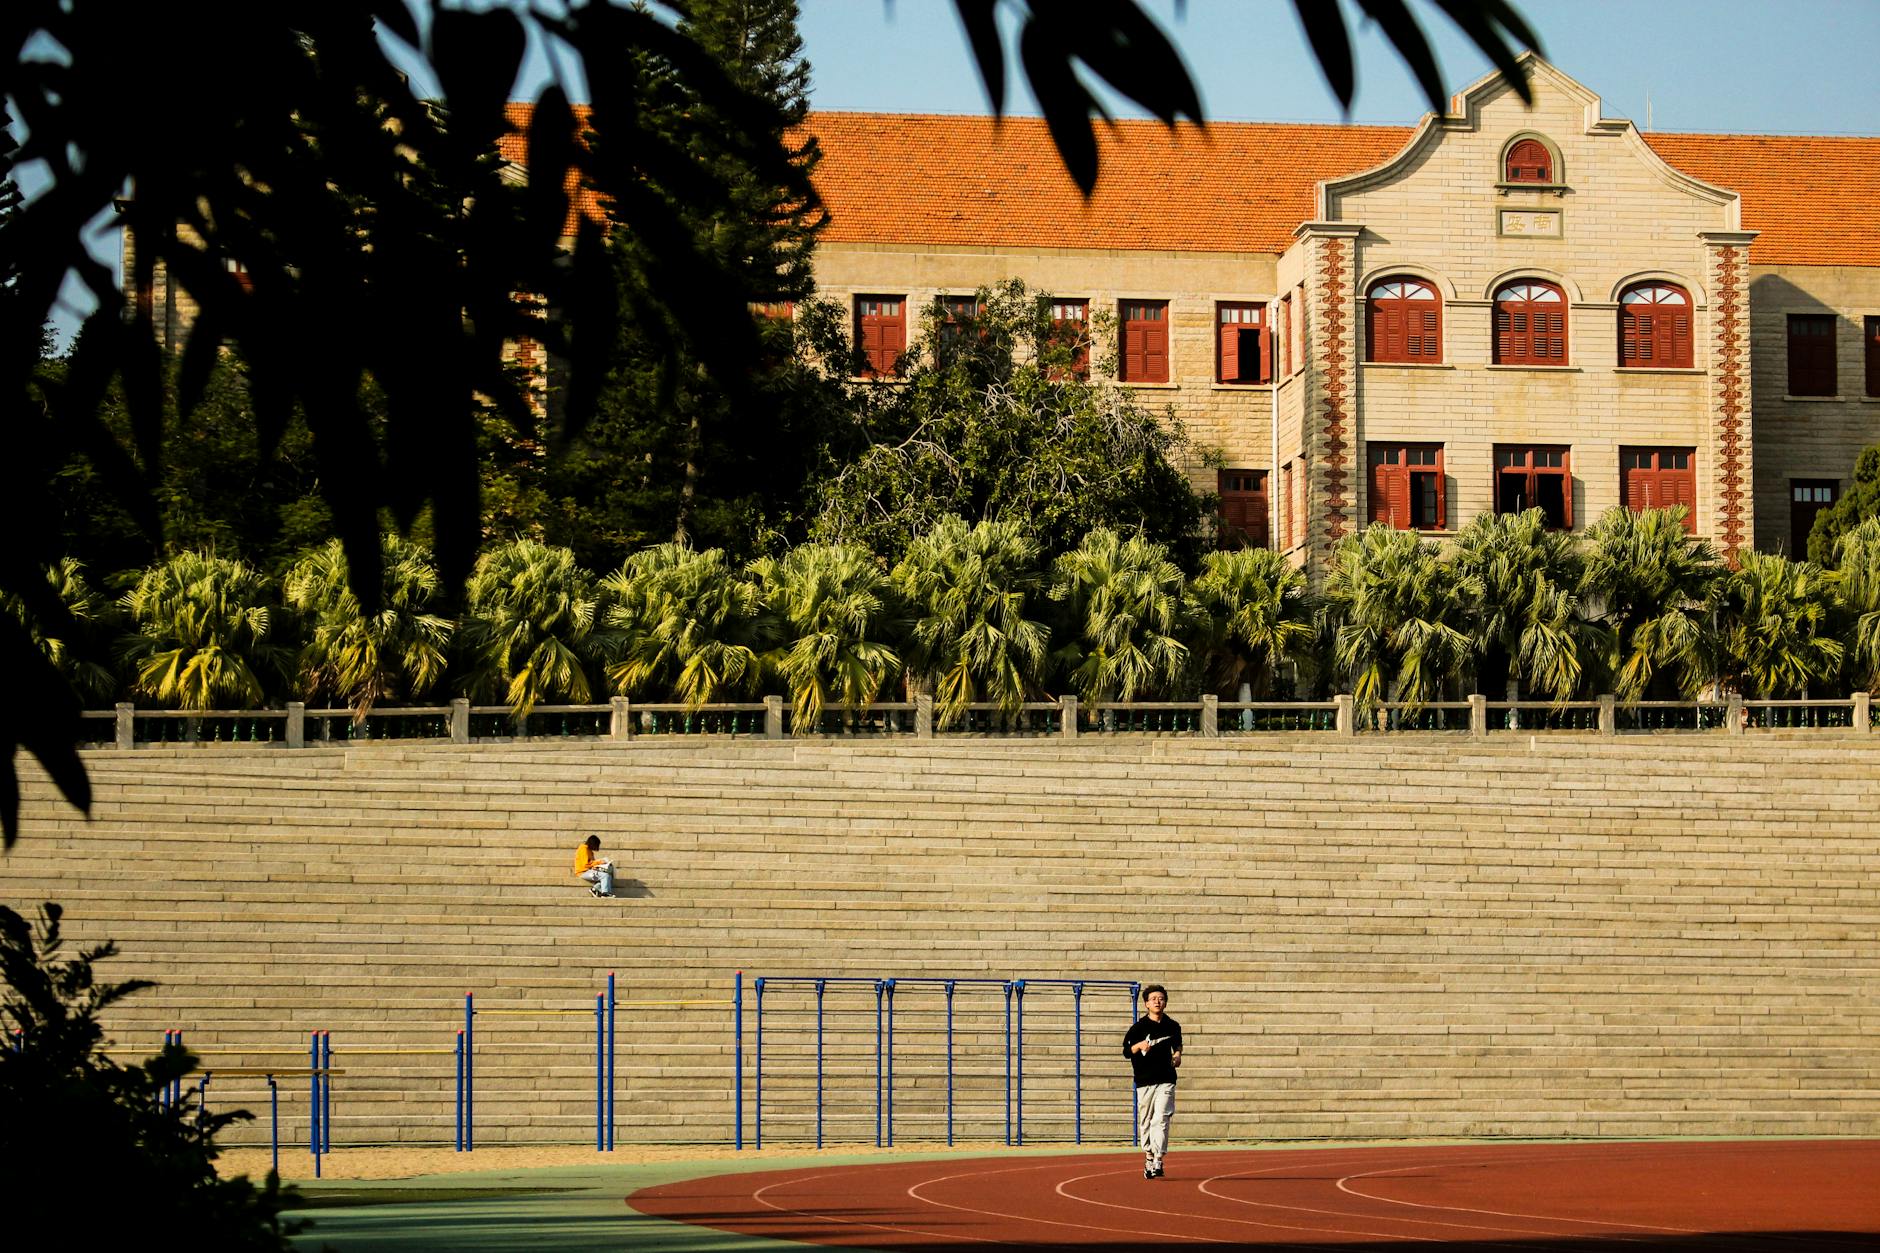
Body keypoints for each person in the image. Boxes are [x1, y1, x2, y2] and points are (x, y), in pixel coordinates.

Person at [1123, 984, 1181, 1179]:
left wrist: (1178, 1055)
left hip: (1166, 1078)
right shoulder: (1138, 1028)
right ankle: (1148, 1156)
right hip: (1144, 1080)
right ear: (1146, 1003)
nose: (1158, 1001)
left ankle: (1158, 1158)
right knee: (1147, 1120)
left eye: (1161, 998)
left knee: (1162, 1118)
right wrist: (1139, 1045)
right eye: (1153, 998)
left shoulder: (1172, 1026)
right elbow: (1126, 1051)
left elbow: (1177, 1046)